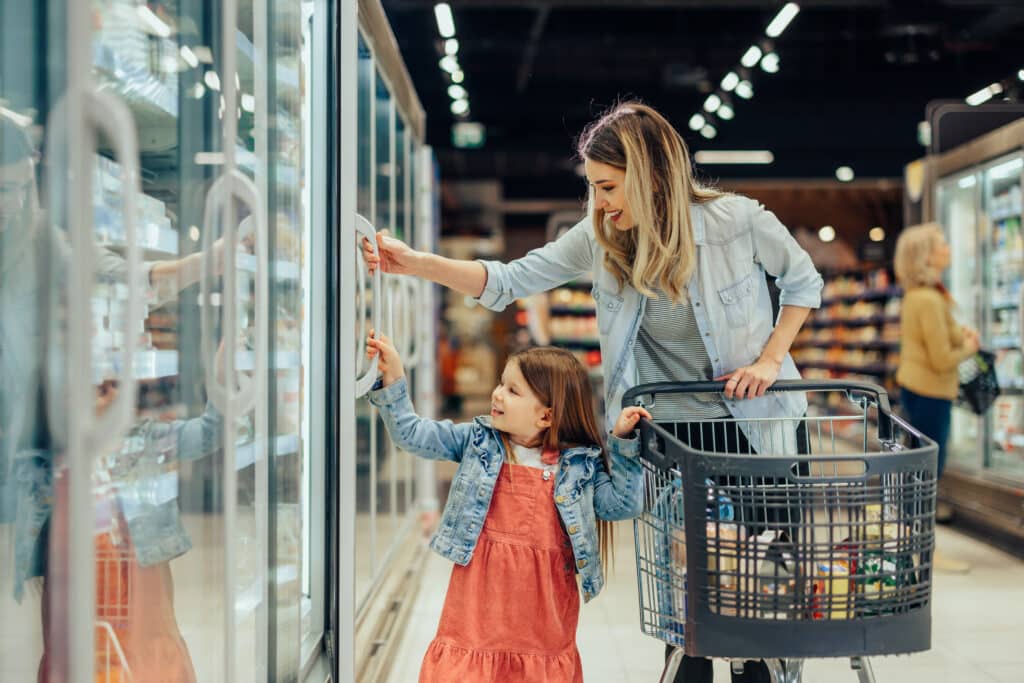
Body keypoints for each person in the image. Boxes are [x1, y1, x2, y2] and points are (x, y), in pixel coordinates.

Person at [363, 101, 823, 682]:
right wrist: (418, 264)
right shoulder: (602, 239)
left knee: (764, 591)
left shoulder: (738, 221)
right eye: (594, 188)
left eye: (607, 186)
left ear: (650, 173)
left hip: (762, 426)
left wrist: (770, 358)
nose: (600, 202)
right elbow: (510, 279)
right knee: (689, 602)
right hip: (673, 438)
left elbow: (804, 281)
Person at [366, 334, 647, 682]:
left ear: (546, 416)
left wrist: (623, 444)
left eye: (513, 391)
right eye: (501, 383)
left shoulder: (579, 466)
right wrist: (393, 379)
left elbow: (623, 505)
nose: (497, 394)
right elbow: (411, 434)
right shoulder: (476, 441)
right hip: (476, 603)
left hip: (543, 614)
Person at [894, 222, 978, 572]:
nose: (948, 247)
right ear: (926, 255)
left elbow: (938, 341)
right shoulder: (927, 299)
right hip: (930, 392)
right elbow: (941, 358)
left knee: (920, 472)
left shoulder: (925, 295)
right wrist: (970, 347)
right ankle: (923, 550)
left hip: (921, 389)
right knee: (927, 473)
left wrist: (959, 335)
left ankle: (917, 546)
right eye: (941, 242)